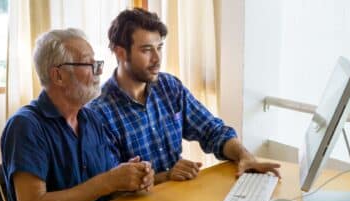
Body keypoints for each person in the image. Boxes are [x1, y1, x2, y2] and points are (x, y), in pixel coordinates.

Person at [88, 8, 280, 184]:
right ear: (121, 53)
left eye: (160, 47)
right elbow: (111, 185)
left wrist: (244, 155)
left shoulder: (169, 87)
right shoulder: (99, 112)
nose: (157, 58)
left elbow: (212, 131)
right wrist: (168, 176)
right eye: (146, 50)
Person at [1, 28, 154, 201]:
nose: (99, 71)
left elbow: (108, 186)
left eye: (97, 63)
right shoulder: (25, 126)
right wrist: (107, 182)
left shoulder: (91, 118)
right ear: (58, 76)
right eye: (88, 64)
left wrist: (132, 178)